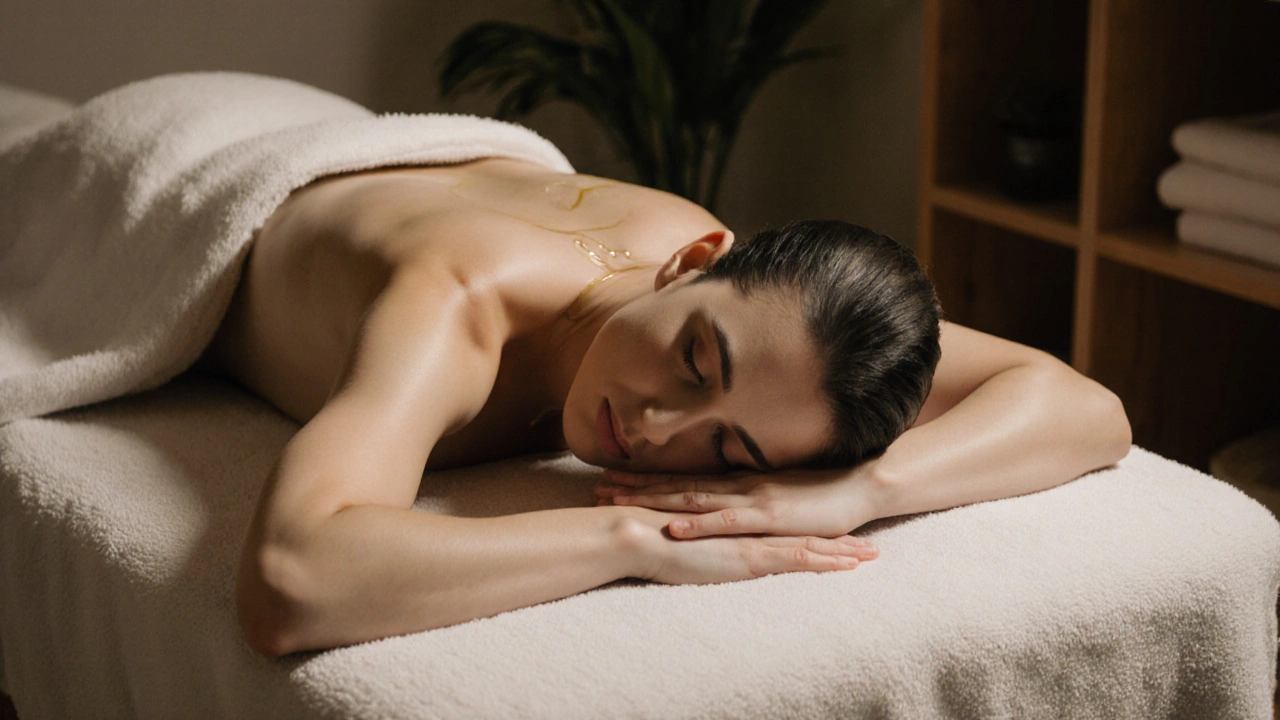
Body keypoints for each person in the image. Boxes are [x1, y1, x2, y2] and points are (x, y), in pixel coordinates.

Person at [203, 157, 1132, 657]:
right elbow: (292, 578)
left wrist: (861, 489)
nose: (653, 432)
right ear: (696, 260)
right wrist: (639, 545)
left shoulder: (781, 329)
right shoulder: (460, 305)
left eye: (727, 450)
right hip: (247, 173)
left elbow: (1085, 407)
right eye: (695, 360)